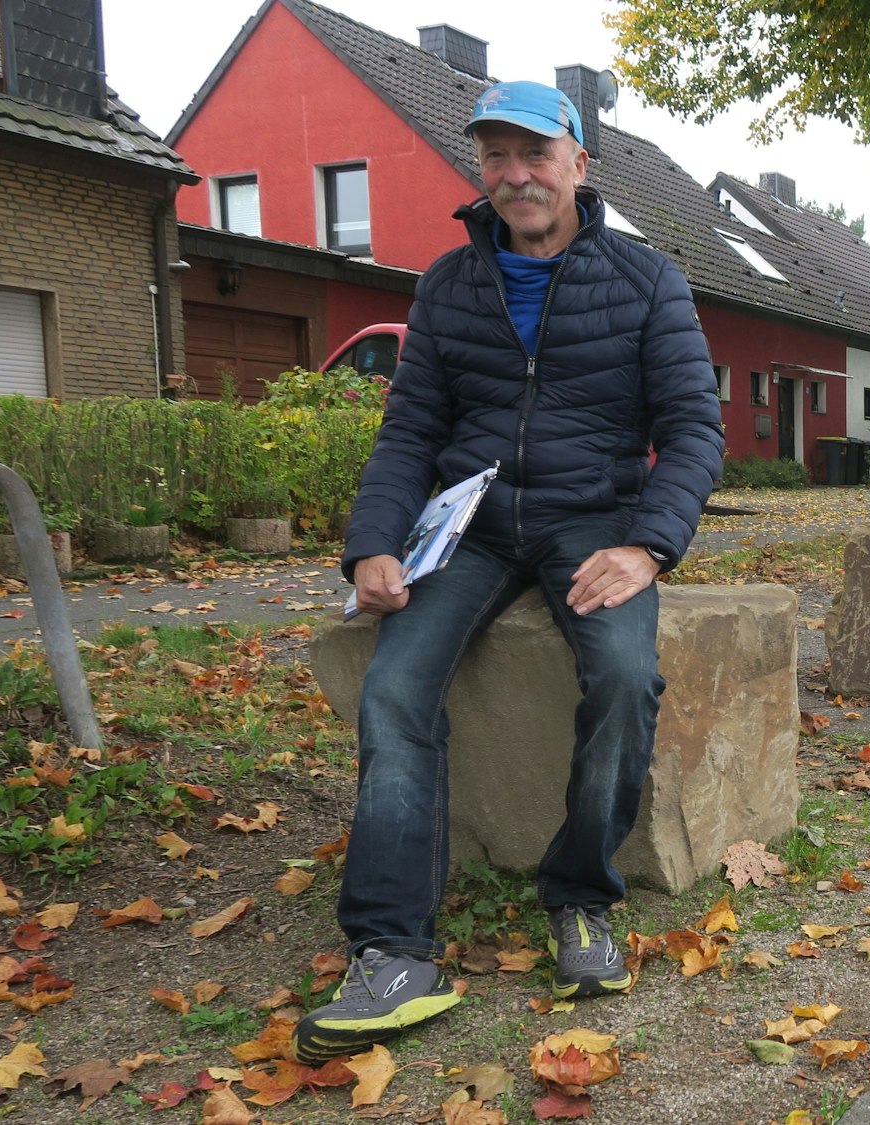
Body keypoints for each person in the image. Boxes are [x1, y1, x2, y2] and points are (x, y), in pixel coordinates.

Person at [295, 80, 724, 1065]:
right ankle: (392, 953)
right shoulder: (449, 283)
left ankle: (580, 898)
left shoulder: (647, 280)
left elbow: (694, 429)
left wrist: (648, 546)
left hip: (593, 523)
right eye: (496, 155)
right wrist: (373, 543)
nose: (516, 175)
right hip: (472, 530)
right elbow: (412, 430)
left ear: (578, 164)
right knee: (395, 690)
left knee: (623, 676)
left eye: (535, 154)